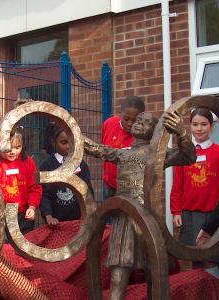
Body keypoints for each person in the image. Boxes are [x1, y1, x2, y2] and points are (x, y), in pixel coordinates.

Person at [84, 111, 196, 300]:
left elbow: (189, 157)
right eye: (138, 120)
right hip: (124, 216)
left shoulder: (159, 154)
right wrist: (68, 127)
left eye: (146, 123)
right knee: (119, 271)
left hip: (148, 217)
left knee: (155, 271)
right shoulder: (122, 153)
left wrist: (182, 133)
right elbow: (95, 148)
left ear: (154, 131)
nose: (139, 123)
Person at [170, 108, 219, 271]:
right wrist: (176, 211)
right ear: (190, 126)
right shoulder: (185, 154)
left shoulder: (218, 152)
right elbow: (178, 184)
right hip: (189, 215)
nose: (199, 128)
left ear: (211, 127)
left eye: (204, 124)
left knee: (211, 259)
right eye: (195, 124)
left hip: (212, 215)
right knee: (194, 259)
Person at [39, 122, 94, 226]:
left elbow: (88, 191)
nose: (69, 146)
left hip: (79, 221)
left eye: (71, 142)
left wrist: (87, 213)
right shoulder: (46, 166)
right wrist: (48, 215)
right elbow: (44, 195)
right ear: (54, 142)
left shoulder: (81, 165)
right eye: (64, 143)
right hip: (56, 222)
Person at [0, 126, 42, 234]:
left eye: (17, 147)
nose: (13, 152)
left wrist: (32, 207)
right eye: (9, 148)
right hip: (1, 215)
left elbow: (35, 188)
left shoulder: (28, 163)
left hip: (24, 214)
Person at [102, 96, 145, 198]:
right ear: (120, 113)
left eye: (135, 120)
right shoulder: (109, 124)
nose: (130, 123)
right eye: (126, 119)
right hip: (111, 186)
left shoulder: (144, 135)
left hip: (133, 189)